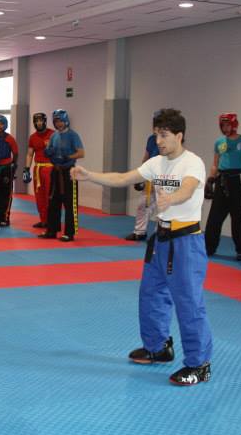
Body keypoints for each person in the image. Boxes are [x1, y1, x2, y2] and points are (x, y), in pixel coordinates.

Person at [72, 108, 212, 386]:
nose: (158, 141)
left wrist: (170, 200)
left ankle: (199, 364)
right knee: (151, 294)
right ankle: (158, 346)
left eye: (164, 135)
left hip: (186, 242)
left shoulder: (192, 163)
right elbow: (124, 178)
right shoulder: (157, 163)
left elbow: (187, 189)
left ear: (179, 136)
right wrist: (90, 176)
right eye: (156, 135)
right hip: (160, 240)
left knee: (188, 303)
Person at [204, 113, 241, 260]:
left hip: (237, 179)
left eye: (227, 125)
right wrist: (211, 180)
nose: (225, 128)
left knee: (238, 218)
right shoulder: (219, 142)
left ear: (234, 124)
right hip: (222, 180)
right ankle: (208, 248)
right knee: (214, 218)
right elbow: (215, 164)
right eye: (223, 125)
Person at [38, 109, 85, 242]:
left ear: (65, 120)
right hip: (56, 171)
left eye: (60, 121)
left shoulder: (73, 135)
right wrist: (48, 152)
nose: (58, 124)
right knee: (53, 201)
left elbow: (81, 153)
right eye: (56, 121)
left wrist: (68, 156)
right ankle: (52, 230)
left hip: (69, 171)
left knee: (69, 203)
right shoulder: (54, 136)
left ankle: (69, 233)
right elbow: (50, 151)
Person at [127, 117, 161, 241]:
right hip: (149, 176)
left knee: (162, 207)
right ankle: (139, 231)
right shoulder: (151, 139)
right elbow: (146, 158)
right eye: (155, 124)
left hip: (163, 178)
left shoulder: (168, 141)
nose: (155, 127)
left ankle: (159, 234)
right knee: (143, 204)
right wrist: (140, 176)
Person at [23, 113, 54, 229]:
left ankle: (52, 221)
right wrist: (26, 169)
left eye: (41, 120)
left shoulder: (53, 134)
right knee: (39, 196)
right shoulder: (32, 137)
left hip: (50, 168)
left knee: (49, 196)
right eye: (37, 121)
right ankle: (43, 220)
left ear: (45, 121)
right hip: (38, 169)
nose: (39, 123)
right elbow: (30, 154)